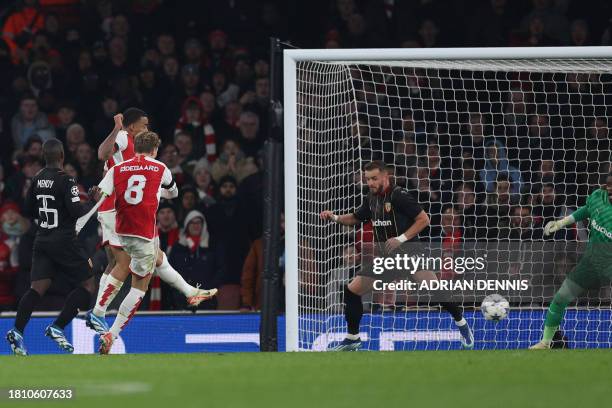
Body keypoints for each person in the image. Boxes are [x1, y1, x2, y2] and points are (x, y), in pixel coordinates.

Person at [319, 161, 473, 351]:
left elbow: (424, 219)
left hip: (411, 254)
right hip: (388, 259)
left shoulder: (399, 195)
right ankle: (352, 338)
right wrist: (334, 217)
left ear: (386, 176)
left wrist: (400, 238)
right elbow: (355, 218)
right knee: (351, 291)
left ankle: (461, 323)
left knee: (436, 291)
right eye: (368, 179)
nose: (371, 183)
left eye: (374, 178)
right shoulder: (371, 199)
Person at [87, 109, 215, 334]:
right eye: (144, 125)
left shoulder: (135, 155)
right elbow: (101, 154)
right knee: (123, 264)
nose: (146, 129)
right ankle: (98, 313)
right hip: (118, 210)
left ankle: (189, 293)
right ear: (132, 127)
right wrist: (117, 127)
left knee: (153, 257)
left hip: (125, 208)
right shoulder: (123, 138)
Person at [6, 139, 95, 355]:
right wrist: (93, 200)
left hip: (42, 239)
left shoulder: (36, 179)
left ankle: (17, 331)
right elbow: (76, 212)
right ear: (62, 156)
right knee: (89, 285)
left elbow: (27, 209)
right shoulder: (67, 180)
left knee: (37, 288)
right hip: (64, 241)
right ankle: (58, 326)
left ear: (45, 157)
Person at [531, 174, 612, 349]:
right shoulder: (598, 196)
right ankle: (546, 342)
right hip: (591, 264)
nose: (610, 189)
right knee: (560, 298)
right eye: (609, 185)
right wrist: (561, 223)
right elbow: (587, 209)